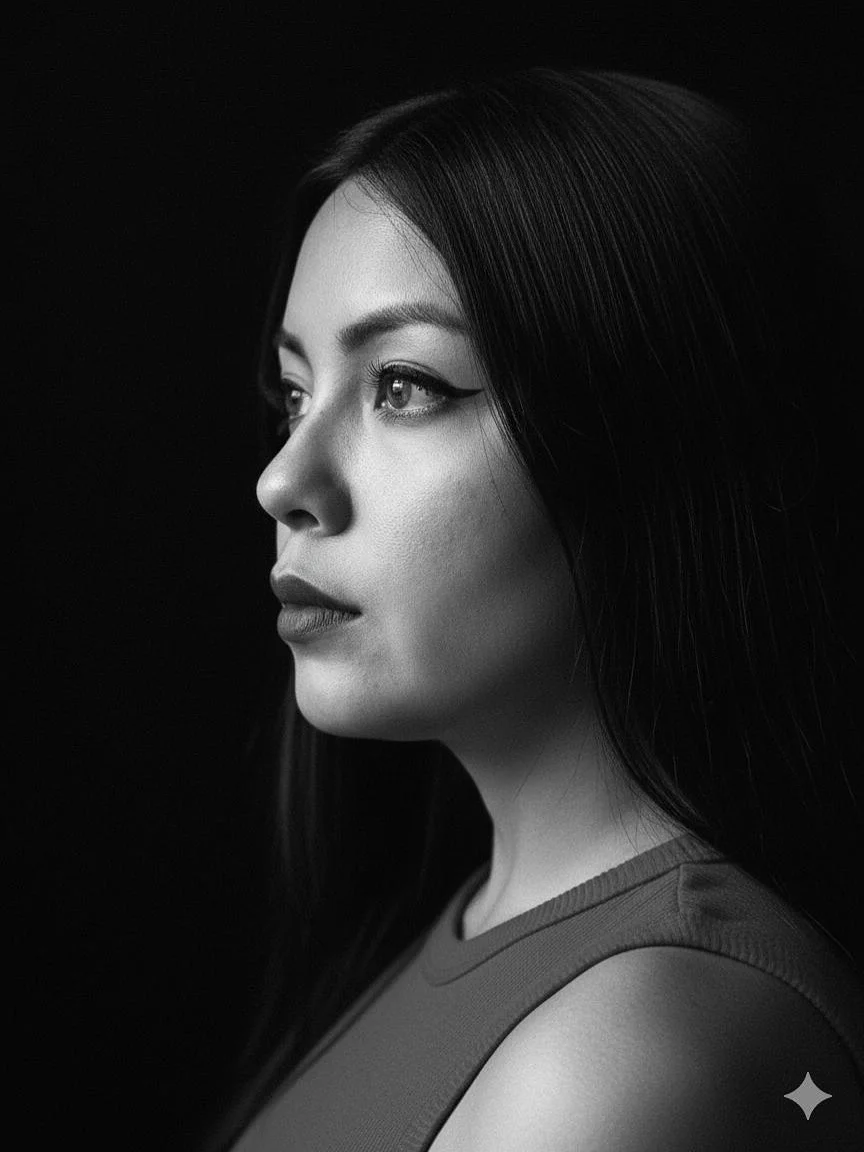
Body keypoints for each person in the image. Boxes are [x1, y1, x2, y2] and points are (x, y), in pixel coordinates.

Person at [199, 65, 864, 1150]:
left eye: (405, 385)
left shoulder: (632, 1046)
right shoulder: (483, 931)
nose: (283, 482)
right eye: (295, 394)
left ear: (655, 436)